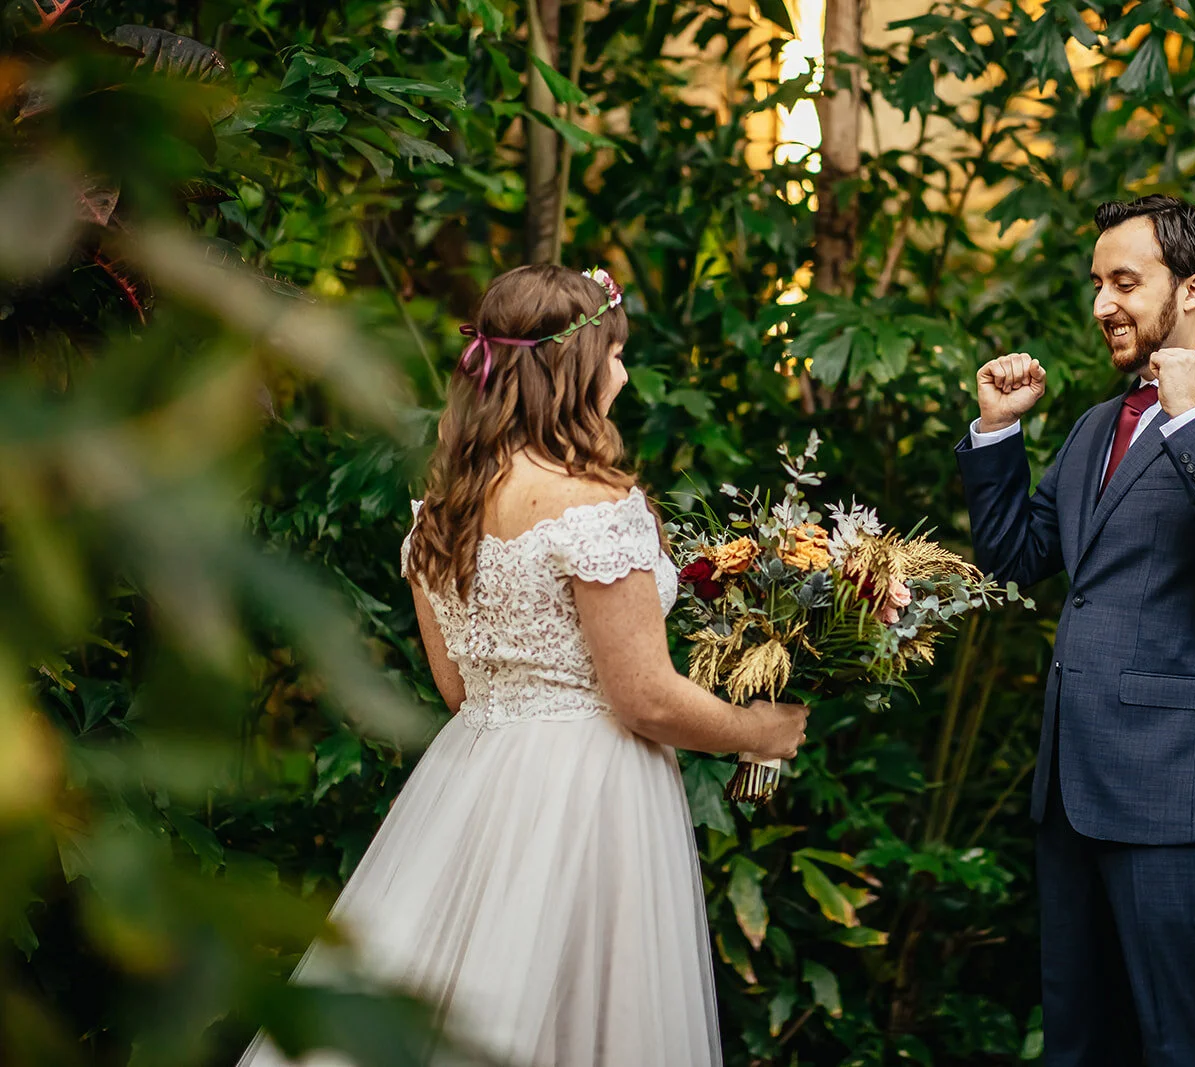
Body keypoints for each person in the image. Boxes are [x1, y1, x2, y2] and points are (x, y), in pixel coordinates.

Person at [237, 264, 808, 1067]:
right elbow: (643, 698)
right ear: (574, 368)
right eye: (613, 353)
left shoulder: (443, 509)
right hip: (593, 792)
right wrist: (760, 729)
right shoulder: (594, 507)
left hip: (475, 778)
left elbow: (456, 686)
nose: (621, 371)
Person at [955, 196, 1195, 1066]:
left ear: (1192, 289)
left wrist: (1192, 419)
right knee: (1081, 1045)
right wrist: (999, 434)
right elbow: (1015, 558)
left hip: (1181, 797)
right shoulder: (1091, 427)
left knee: (1192, 1046)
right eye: (1097, 284)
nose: (1102, 304)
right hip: (1073, 794)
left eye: (1124, 282)